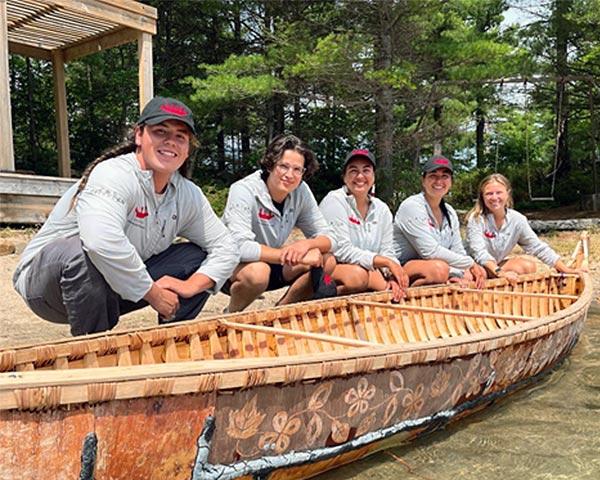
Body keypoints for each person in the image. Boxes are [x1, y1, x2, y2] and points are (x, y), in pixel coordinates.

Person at [13, 96, 238, 336]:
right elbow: (100, 242)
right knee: (81, 253)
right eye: (161, 131)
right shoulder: (113, 174)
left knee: (195, 256)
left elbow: (226, 246)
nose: (171, 142)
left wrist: (191, 285)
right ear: (139, 135)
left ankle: (172, 342)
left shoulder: (187, 194)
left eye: (180, 136)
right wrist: (152, 293)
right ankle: (95, 353)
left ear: (187, 148)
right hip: (50, 288)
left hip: (115, 288)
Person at [222, 134, 337, 312]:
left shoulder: (301, 191)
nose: (289, 175)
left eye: (297, 169)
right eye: (283, 166)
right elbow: (239, 246)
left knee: (326, 259)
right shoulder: (243, 190)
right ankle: (231, 314)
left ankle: (281, 311)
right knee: (258, 273)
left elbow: (330, 237)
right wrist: (287, 254)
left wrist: (307, 244)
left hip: (274, 262)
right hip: (234, 265)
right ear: (270, 165)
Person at [319, 149, 408, 301]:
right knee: (357, 278)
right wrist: (384, 263)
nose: (360, 176)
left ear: (373, 177)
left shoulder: (382, 209)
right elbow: (342, 250)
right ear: (344, 177)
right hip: (328, 272)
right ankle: (316, 297)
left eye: (366, 170)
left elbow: (387, 250)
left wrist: (391, 275)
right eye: (353, 171)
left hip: (366, 271)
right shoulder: (334, 201)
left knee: (388, 288)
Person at [466, 173, 582, 284]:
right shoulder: (476, 219)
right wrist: (500, 272)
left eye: (499, 193)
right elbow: (479, 253)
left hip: (495, 266)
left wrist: (564, 269)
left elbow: (537, 247)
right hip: (473, 266)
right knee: (474, 275)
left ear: (508, 194)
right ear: (482, 196)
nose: (494, 197)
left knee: (528, 266)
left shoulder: (518, 219)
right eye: (489, 194)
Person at [393, 155, 486, 288]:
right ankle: (405, 301)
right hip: (403, 266)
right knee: (439, 270)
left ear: (451, 181)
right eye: (433, 175)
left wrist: (462, 272)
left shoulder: (449, 212)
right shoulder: (412, 206)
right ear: (423, 180)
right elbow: (429, 252)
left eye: (444, 176)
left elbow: (457, 249)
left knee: (476, 273)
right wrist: (468, 264)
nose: (439, 181)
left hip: (436, 265)